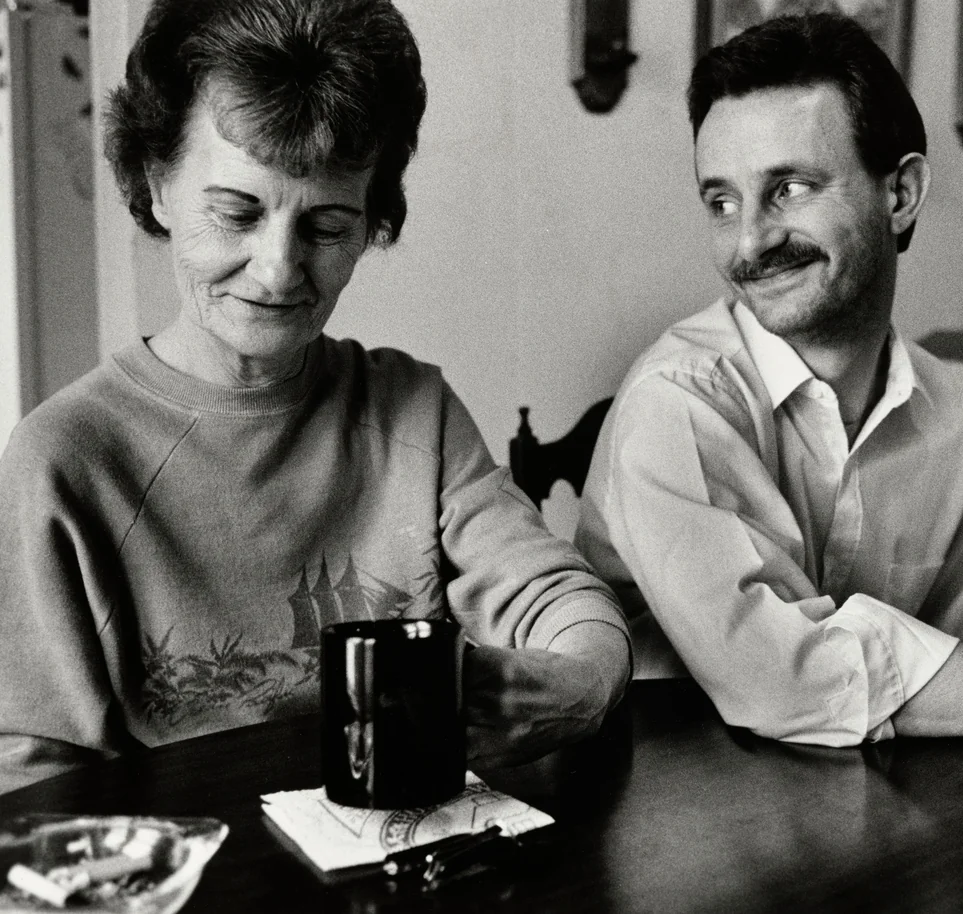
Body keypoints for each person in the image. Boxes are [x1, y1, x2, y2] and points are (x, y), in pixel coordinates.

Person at [0, 0, 630, 796]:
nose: (277, 270)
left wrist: (584, 683)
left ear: (371, 224)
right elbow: (31, 783)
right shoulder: (63, 460)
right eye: (236, 213)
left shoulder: (414, 410)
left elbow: (560, 597)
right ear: (157, 187)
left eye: (327, 227)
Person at [576, 12, 963, 747]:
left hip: (869, 794)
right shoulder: (673, 403)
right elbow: (788, 683)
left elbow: (931, 692)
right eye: (722, 202)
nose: (748, 242)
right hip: (670, 788)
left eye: (790, 187)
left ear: (901, 193)